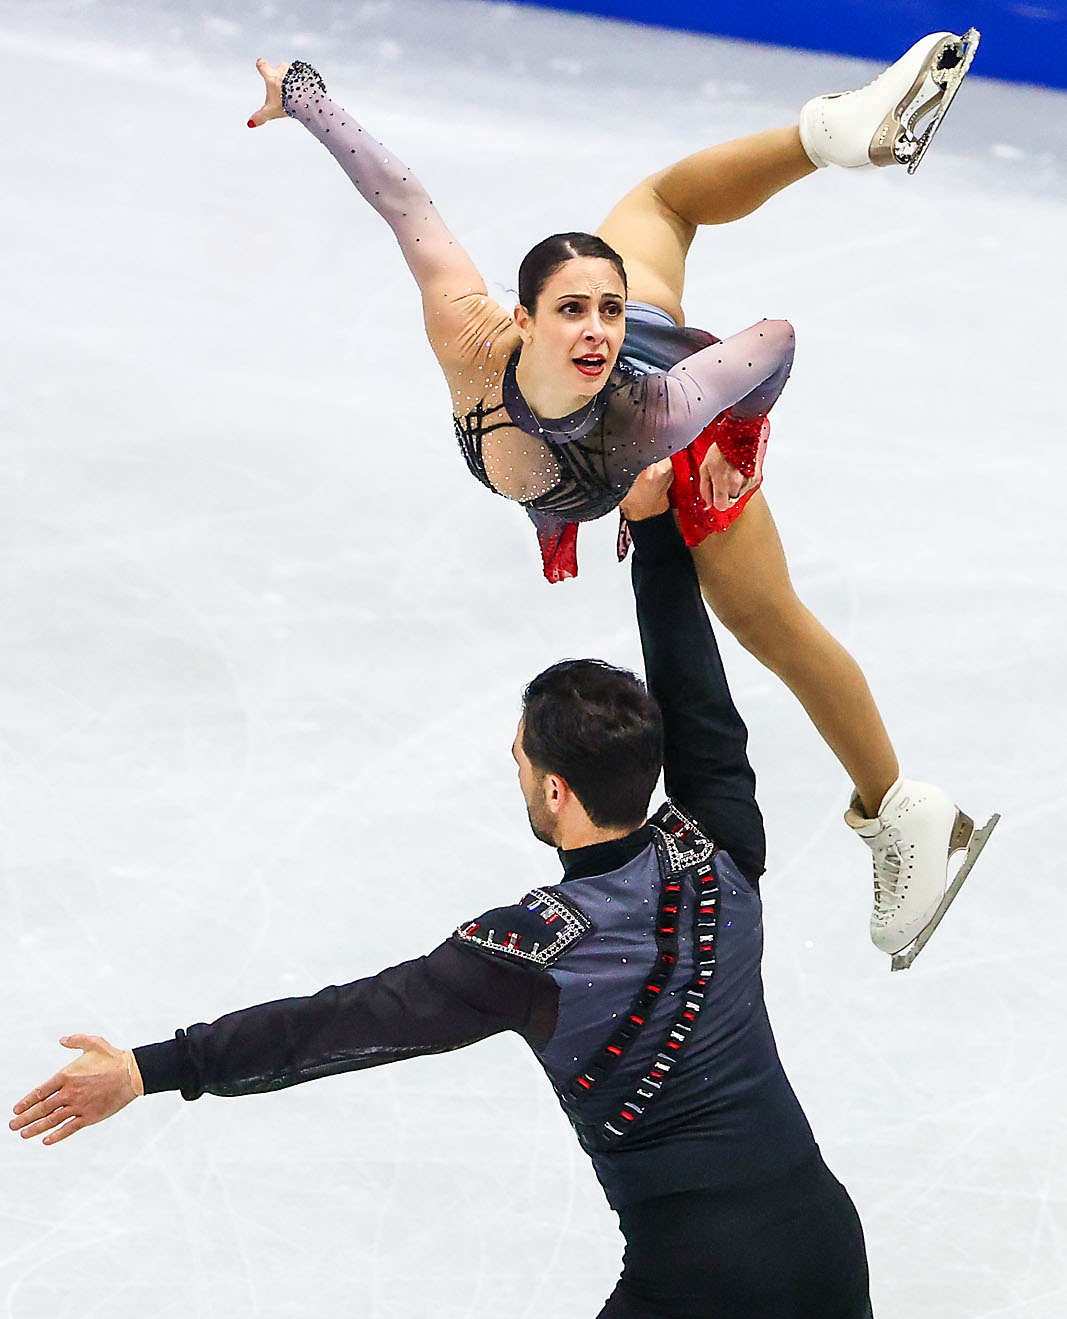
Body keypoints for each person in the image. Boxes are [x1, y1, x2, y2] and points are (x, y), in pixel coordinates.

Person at [12, 463, 918, 1319]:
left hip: (697, 1285)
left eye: (520, 758)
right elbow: (699, 700)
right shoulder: (721, 844)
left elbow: (340, 1023)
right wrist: (657, 541)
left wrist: (153, 1068)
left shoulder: (529, 950)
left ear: (550, 793)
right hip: (820, 1244)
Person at [244, 36, 988, 961]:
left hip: (687, 431)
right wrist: (304, 96)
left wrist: (733, 447)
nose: (592, 326)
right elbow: (403, 199)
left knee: (761, 617)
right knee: (659, 202)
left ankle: (901, 809)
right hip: (647, 360)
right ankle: (836, 132)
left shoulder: (654, 415)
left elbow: (774, 341)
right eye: (571, 309)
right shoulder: (468, 334)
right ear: (520, 320)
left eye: (603, 307)